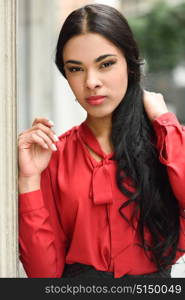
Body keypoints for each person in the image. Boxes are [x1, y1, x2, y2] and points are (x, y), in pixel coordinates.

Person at [18, 3, 185, 278]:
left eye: (106, 64)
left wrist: (164, 122)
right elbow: (43, 276)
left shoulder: (166, 143)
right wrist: (28, 180)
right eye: (75, 69)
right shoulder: (53, 157)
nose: (91, 81)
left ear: (130, 64)